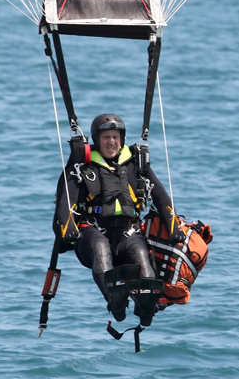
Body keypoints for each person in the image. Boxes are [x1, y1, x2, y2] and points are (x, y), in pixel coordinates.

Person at [52, 113, 182, 325]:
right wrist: (68, 228)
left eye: (115, 137)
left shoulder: (135, 164)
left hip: (126, 232)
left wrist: (173, 225)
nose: (111, 142)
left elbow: (160, 196)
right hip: (93, 232)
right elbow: (67, 200)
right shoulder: (82, 166)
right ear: (97, 140)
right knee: (101, 247)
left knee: (141, 255)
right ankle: (115, 302)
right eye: (106, 137)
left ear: (121, 139)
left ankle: (146, 307)